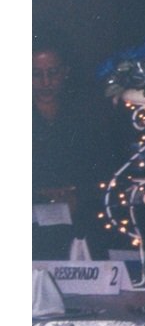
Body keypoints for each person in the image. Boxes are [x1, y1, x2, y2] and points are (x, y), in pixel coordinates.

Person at [33, 32, 113, 258]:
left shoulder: (85, 116)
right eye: (36, 74)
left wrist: (78, 195)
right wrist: (41, 196)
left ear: (65, 72)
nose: (46, 82)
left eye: (53, 72)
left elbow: (101, 167)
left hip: (78, 217)